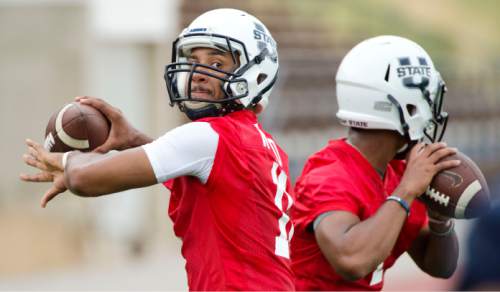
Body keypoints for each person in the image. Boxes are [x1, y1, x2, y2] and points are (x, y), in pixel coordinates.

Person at [21, 8, 295, 291]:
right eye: (194, 61)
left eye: (216, 62)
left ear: (256, 74)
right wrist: (136, 139)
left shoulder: (209, 137)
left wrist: (68, 159)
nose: (199, 73)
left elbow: (84, 178)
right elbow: (201, 171)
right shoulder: (264, 146)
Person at [290, 35, 460, 290]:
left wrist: (440, 222)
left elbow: (439, 266)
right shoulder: (328, 177)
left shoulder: (397, 172)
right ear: (407, 106)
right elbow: (352, 260)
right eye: (426, 98)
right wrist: (406, 192)